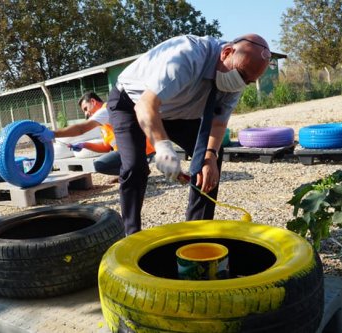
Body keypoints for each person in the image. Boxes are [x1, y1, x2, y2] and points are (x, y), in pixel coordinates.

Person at [106, 33, 271, 235]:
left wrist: (210, 156)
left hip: (178, 111)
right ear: (227, 52)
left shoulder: (236, 77)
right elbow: (146, 105)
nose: (241, 84)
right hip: (131, 104)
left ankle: (197, 231)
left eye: (248, 82)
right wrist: (163, 147)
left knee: (209, 160)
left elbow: (218, 123)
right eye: (242, 75)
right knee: (135, 167)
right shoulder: (186, 57)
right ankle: (130, 234)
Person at [36, 91, 155, 177]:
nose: (87, 114)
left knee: (100, 164)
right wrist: (84, 145)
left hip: (141, 151)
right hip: (133, 151)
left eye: (86, 108)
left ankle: (136, 171)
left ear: (93, 101)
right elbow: (105, 147)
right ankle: (133, 171)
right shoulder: (104, 121)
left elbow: (81, 128)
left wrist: (53, 133)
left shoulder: (106, 110)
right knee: (101, 164)